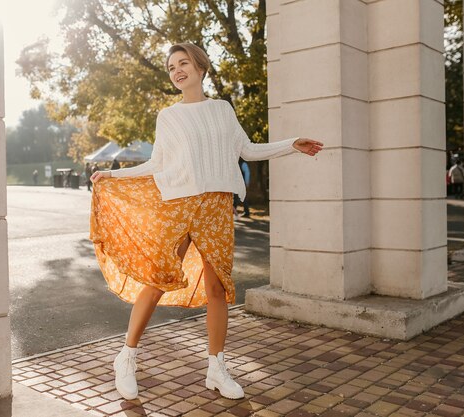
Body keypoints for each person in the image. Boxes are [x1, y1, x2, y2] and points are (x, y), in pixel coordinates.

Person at [89, 43, 324, 401]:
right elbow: (157, 164)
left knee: (218, 289)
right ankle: (126, 357)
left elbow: (247, 150)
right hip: (180, 205)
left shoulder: (222, 110)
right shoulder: (168, 116)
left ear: (201, 67)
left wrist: (292, 144)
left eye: (183, 63)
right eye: (171, 67)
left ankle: (216, 368)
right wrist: (113, 176)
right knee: (158, 279)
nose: (177, 70)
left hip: (217, 206)